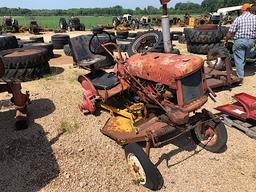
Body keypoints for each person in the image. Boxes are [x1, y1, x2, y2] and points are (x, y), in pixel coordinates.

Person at [224, 3, 256, 82]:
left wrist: (226, 39)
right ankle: (241, 69)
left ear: (243, 10)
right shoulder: (255, 18)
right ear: (249, 9)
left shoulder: (238, 19)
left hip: (240, 41)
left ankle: (240, 77)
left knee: (239, 59)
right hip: (251, 42)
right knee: (243, 58)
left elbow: (231, 32)